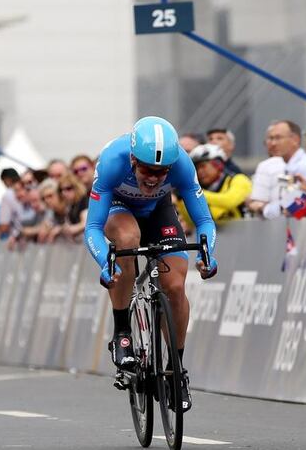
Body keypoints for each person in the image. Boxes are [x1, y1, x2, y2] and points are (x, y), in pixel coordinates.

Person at [84, 116, 218, 412]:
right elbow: (92, 227)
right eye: (146, 169)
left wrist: (207, 254)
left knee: (174, 285)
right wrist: (105, 263)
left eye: (161, 172)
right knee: (128, 238)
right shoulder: (112, 162)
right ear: (133, 159)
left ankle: (176, 370)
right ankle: (122, 332)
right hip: (118, 209)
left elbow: (205, 220)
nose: (154, 178)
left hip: (158, 209)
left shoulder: (182, 164)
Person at [248, 120, 306, 219]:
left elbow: (293, 207)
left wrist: (264, 208)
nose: (273, 143)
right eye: (270, 138)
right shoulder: (290, 165)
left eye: (278, 138)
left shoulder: (305, 166)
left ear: (295, 139)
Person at [180, 143, 252, 224]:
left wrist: (196, 195)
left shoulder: (239, 179)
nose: (199, 172)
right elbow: (191, 222)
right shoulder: (201, 187)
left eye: (203, 166)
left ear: (218, 164)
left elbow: (229, 201)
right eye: (197, 168)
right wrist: (181, 201)